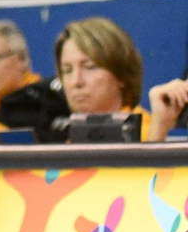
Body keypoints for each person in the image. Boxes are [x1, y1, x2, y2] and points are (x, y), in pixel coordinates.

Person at [54, 16, 184, 140]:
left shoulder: (152, 134)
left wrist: (158, 131)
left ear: (121, 74)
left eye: (90, 67)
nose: (77, 82)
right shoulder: (70, 141)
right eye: (67, 70)